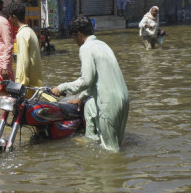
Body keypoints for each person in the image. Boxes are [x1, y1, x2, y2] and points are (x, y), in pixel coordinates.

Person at [48, 15, 130, 152]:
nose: (75, 41)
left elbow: (86, 80)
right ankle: (92, 140)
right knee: (91, 108)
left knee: (110, 152)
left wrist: (61, 87)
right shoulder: (103, 45)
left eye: (74, 37)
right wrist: (80, 98)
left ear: (79, 34)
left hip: (109, 102)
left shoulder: (86, 48)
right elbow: (99, 80)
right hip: (124, 99)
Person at [8, 1, 42, 86]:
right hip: (36, 84)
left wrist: (20, 85)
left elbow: (23, 62)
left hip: (28, 86)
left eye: (10, 17)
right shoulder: (30, 31)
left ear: (14, 17)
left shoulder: (21, 34)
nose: (9, 19)